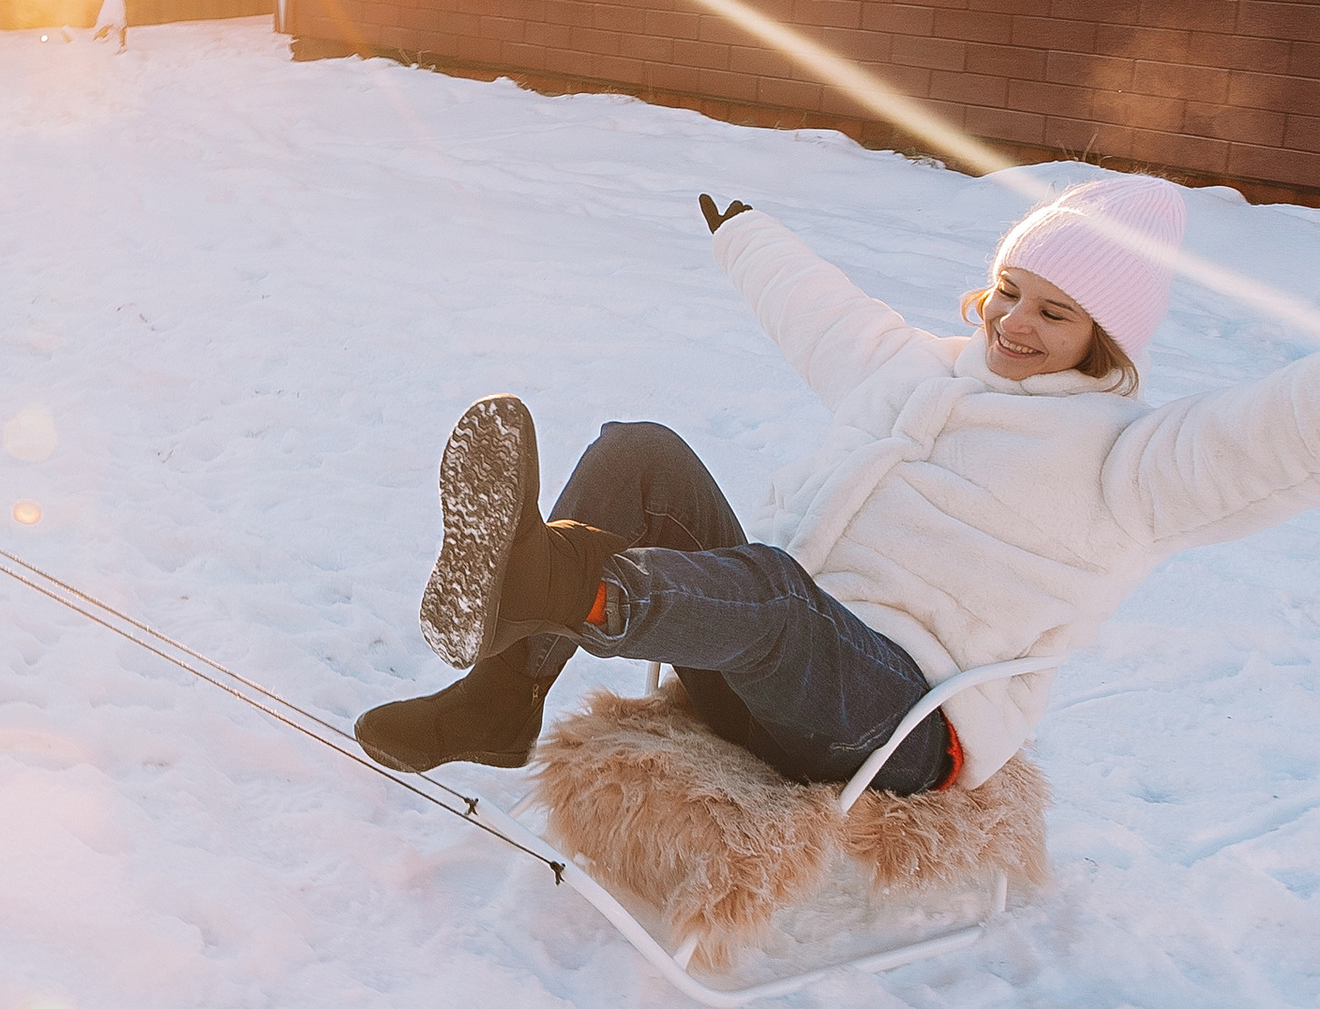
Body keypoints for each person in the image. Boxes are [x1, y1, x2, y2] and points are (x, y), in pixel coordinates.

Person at [355, 171, 1320, 800]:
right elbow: (824, 314)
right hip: (772, 660)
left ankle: (549, 581)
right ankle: (498, 698)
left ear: (1102, 340)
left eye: (1055, 313)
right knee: (640, 452)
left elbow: (1272, 437)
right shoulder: (925, 370)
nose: (1015, 323)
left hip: (892, 727)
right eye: (1010, 290)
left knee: (776, 592)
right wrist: (747, 234)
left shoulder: (1132, 464)